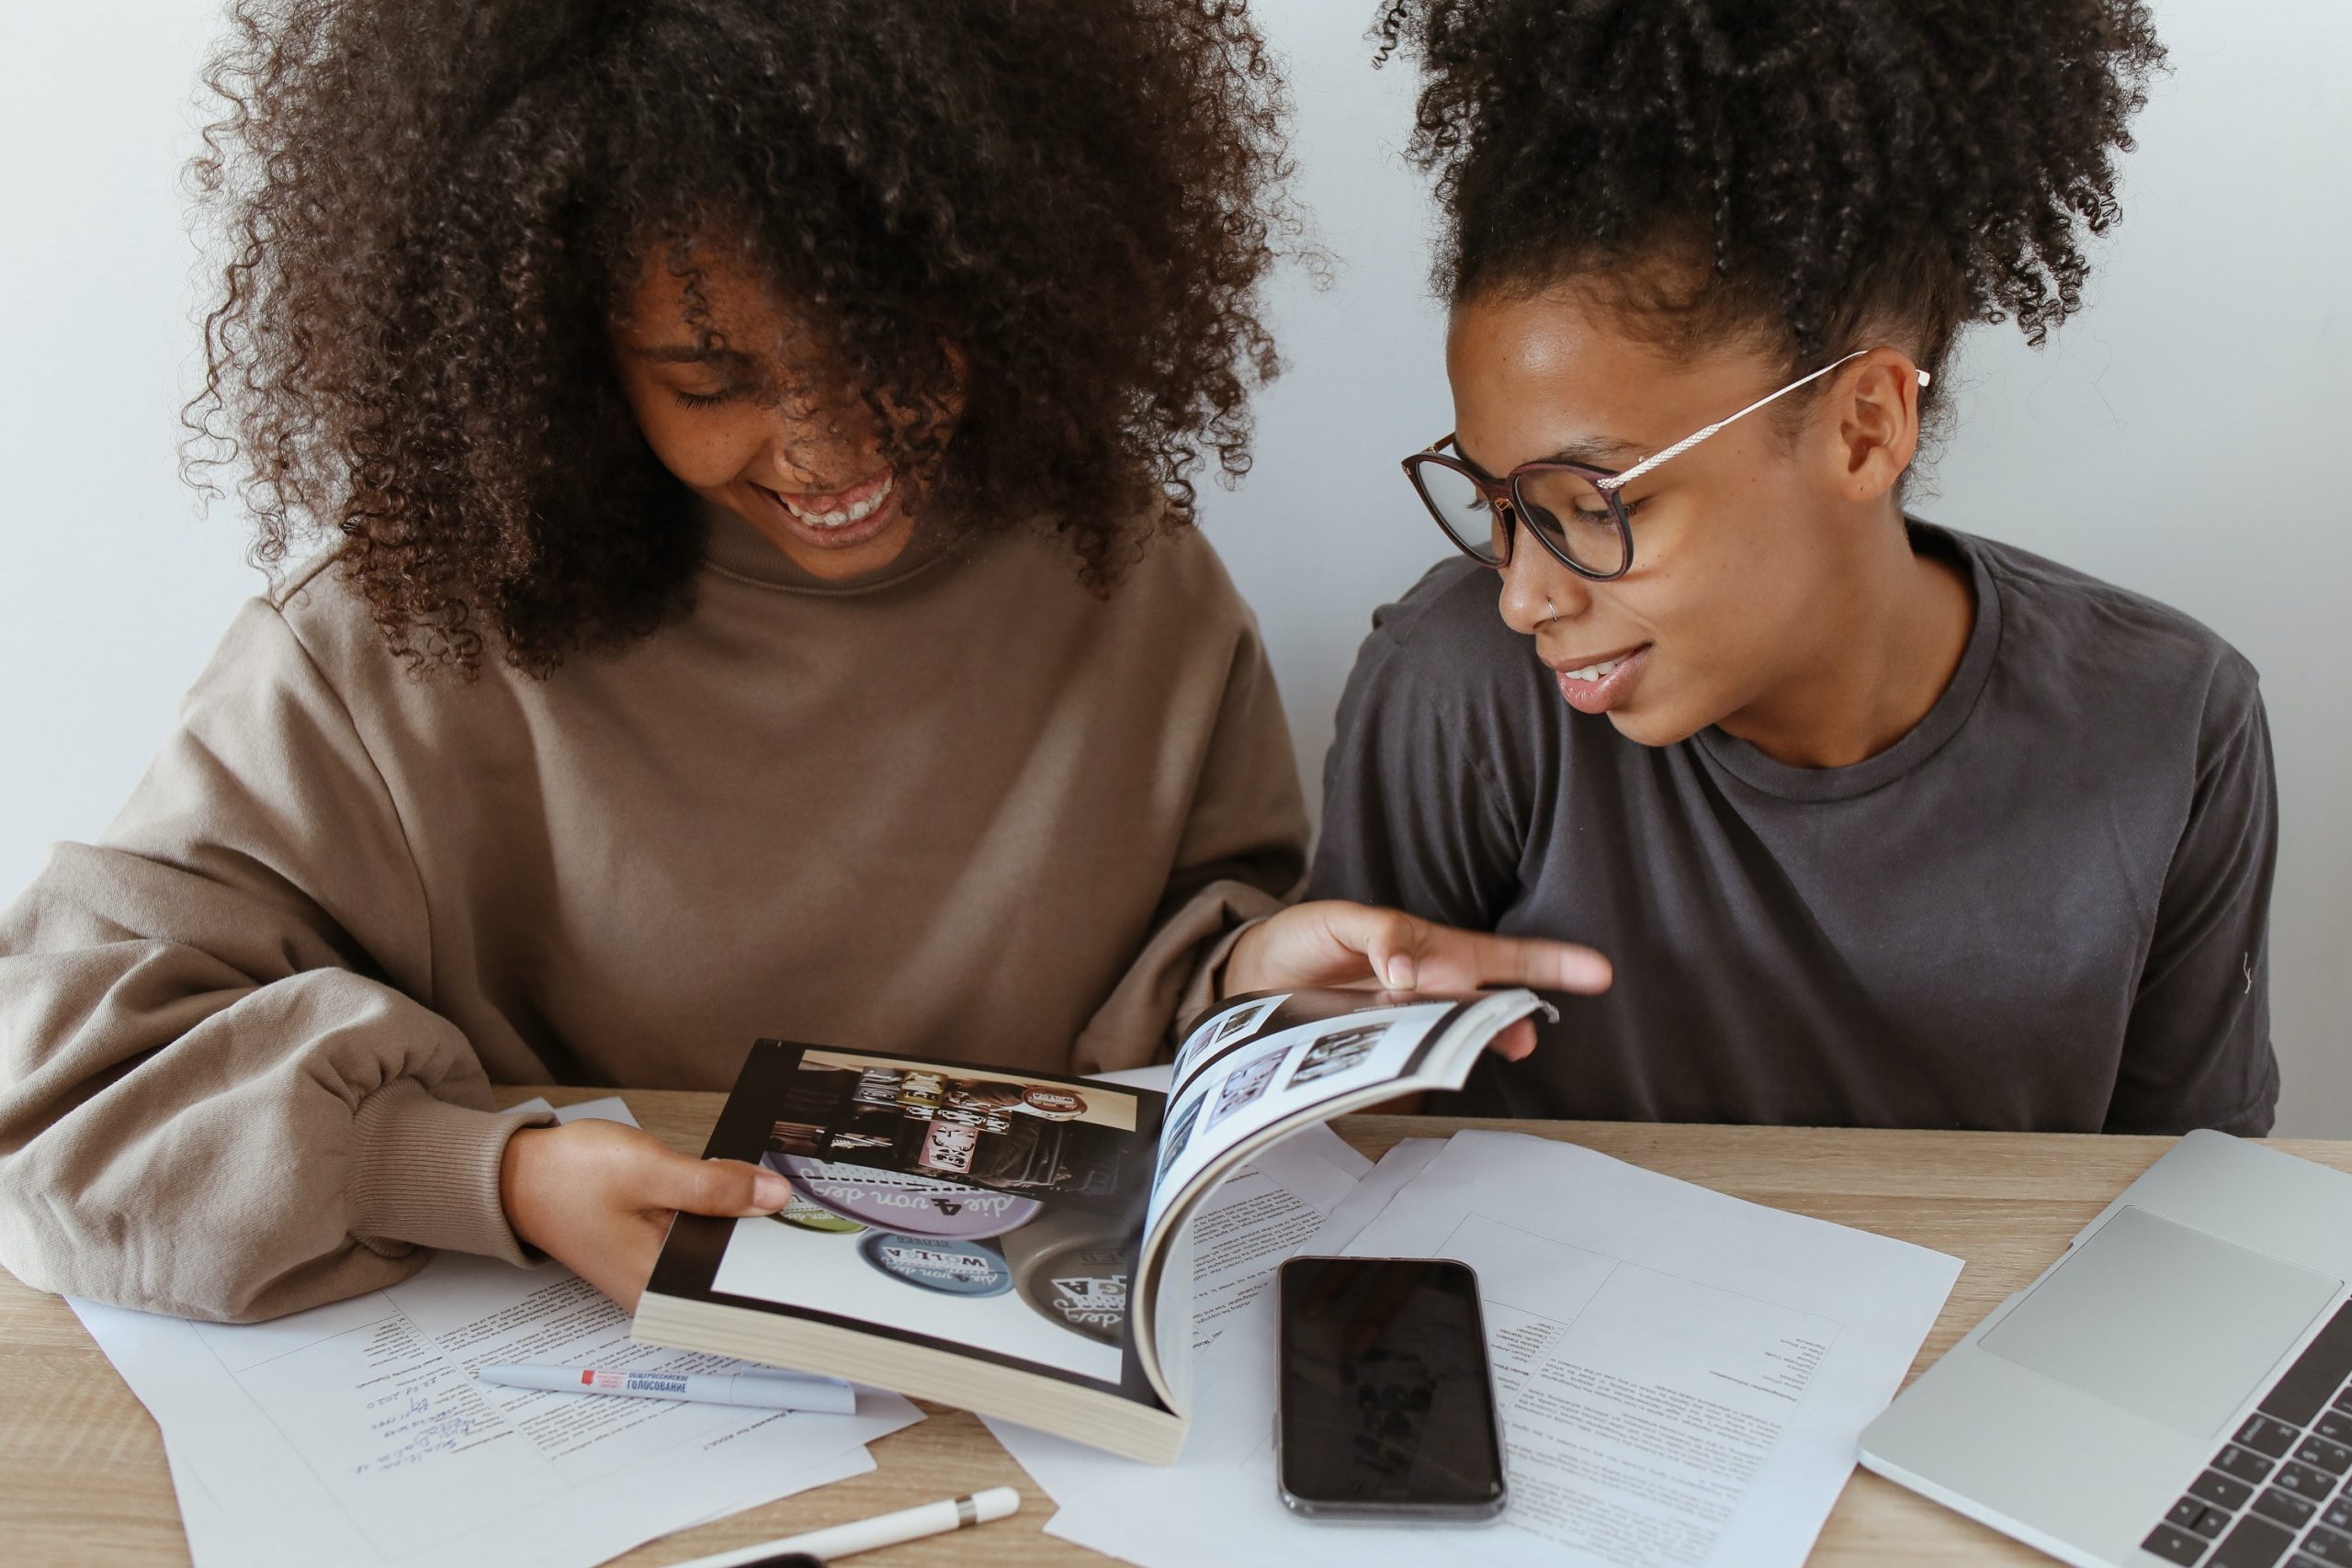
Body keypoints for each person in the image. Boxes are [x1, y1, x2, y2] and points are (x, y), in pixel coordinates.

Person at [0, 0, 1603, 1322]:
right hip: (546, 1387)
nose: (838, 446)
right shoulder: (393, 649)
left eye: (886, 343)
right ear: (559, 344)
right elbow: (56, 1089)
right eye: (714, 374)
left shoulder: (1133, 588)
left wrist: (1255, 986)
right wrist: (488, 1174)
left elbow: (1155, 1018)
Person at [1309, 0, 2278, 1134]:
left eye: (1590, 506)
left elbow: (2193, 1206)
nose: (1525, 594)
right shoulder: (1460, 685)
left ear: (1863, 429)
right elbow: (1337, 1162)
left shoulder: (2168, 724)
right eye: (1497, 505)